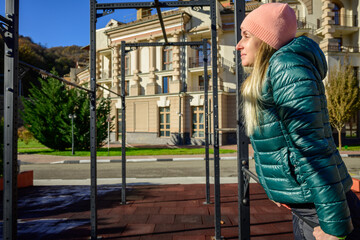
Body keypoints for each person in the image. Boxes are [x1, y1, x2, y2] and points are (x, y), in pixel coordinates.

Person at [235, 3, 360, 240]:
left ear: (265, 39)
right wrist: (278, 188)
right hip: (307, 202)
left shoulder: (286, 68)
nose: (239, 45)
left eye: (246, 36)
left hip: (319, 207)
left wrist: (335, 229)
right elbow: (281, 141)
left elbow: (313, 149)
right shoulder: (274, 71)